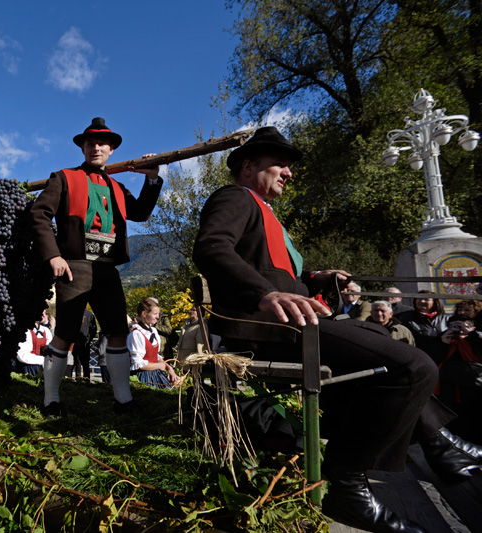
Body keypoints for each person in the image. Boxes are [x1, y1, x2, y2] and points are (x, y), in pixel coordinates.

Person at [192, 126, 481, 533]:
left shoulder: (263, 210)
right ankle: (348, 486)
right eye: (280, 164)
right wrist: (264, 295)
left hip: (293, 325)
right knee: (415, 367)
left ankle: (439, 444)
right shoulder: (234, 197)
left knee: (383, 341)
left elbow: (278, 275)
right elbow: (211, 247)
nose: (288, 173)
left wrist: (315, 278)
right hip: (269, 331)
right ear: (248, 165)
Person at [30, 117, 163, 416]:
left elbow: (140, 213)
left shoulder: (117, 186)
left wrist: (152, 177)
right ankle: (51, 399)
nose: (96, 148)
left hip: (107, 269)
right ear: (83, 147)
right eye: (90, 143)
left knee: (117, 333)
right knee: (64, 333)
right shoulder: (63, 177)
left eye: (102, 143)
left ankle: (123, 399)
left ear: (112, 149)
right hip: (74, 265)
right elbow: (39, 213)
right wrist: (53, 254)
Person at [436, 314, 482, 442]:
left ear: (473, 328)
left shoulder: (476, 339)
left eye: (464, 326)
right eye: (454, 326)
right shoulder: (443, 340)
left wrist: (471, 336)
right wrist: (443, 344)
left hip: (474, 391)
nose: (459, 329)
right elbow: (434, 361)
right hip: (450, 394)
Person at [128, 298, 180, 389]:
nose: (158, 317)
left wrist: (169, 368)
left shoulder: (154, 331)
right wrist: (160, 365)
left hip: (155, 373)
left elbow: (156, 356)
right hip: (143, 377)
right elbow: (138, 363)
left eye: (158, 314)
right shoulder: (136, 334)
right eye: (155, 314)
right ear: (144, 314)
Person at [397, 291, 450, 363]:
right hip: (420, 357)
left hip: (445, 357)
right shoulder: (406, 318)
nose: (421, 301)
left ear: (435, 302)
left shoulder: (447, 318)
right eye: (418, 299)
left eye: (426, 299)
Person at [16, 310, 53, 376]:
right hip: (29, 368)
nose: (42, 315)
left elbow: (50, 347)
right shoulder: (26, 331)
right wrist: (42, 359)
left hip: (43, 368)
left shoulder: (45, 330)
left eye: (44, 313)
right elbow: (22, 355)